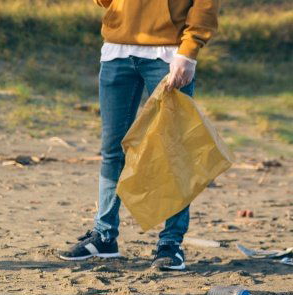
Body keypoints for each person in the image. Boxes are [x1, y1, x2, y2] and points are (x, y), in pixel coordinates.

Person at [60, 0, 219, 271]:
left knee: (172, 152)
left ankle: (170, 243)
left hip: (170, 54)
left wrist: (189, 51)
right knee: (112, 150)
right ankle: (105, 236)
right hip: (117, 51)